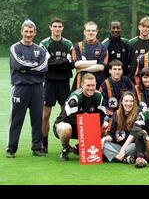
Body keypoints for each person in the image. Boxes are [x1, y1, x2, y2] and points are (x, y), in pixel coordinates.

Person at [7, 19, 49, 158]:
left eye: (31, 32)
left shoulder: (41, 50)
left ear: (35, 32)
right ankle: (11, 148)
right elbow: (18, 65)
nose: (28, 34)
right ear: (22, 31)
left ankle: (37, 147)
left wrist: (27, 70)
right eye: (26, 31)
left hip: (37, 88)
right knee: (17, 119)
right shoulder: (15, 48)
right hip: (20, 88)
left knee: (37, 118)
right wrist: (33, 68)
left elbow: (44, 67)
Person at [54, 73, 109, 161]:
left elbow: (102, 115)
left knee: (106, 125)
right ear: (82, 85)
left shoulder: (99, 96)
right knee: (65, 128)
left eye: (93, 85)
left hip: (87, 127)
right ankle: (66, 148)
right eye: (88, 85)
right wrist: (83, 124)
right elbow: (66, 118)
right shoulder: (75, 97)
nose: (91, 88)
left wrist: (90, 126)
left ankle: (79, 148)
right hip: (70, 126)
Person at [39, 17, 73, 153]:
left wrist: (55, 62)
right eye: (55, 26)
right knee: (46, 114)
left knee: (66, 114)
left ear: (62, 28)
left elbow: (70, 63)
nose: (57, 29)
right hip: (49, 82)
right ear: (50, 28)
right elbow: (45, 64)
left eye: (59, 26)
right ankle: (44, 143)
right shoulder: (44, 43)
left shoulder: (68, 44)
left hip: (64, 82)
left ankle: (65, 145)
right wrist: (62, 62)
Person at [101, 91, 138, 163]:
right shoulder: (116, 114)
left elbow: (133, 134)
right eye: (126, 101)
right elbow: (112, 135)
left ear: (134, 103)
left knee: (136, 146)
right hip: (118, 146)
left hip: (129, 146)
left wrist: (123, 150)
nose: (128, 104)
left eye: (131, 101)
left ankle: (116, 157)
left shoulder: (138, 113)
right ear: (121, 102)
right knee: (104, 145)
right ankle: (124, 159)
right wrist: (103, 139)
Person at [71, 21, 108, 90]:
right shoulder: (78, 46)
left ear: (96, 32)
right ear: (84, 32)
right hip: (81, 81)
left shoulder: (103, 47)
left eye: (93, 30)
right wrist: (96, 62)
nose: (91, 32)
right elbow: (77, 64)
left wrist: (83, 69)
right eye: (88, 30)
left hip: (98, 81)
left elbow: (101, 67)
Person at [128, 16, 149, 83]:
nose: (145, 29)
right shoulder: (131, 43)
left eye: (147, 27)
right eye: (143, 26)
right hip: (133, 79)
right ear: (139, 27)